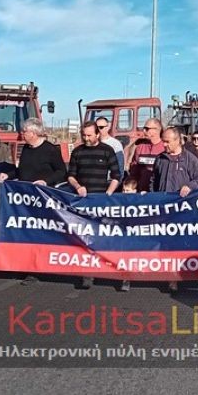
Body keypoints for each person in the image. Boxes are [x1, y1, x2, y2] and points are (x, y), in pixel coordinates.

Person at [66, 121, 121, 289]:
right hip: (83, 201)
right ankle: (87, 273)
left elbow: (117, 175)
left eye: (89, 135)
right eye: (84, 135)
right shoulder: (77, 152)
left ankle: (115, 273)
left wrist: (108, 195)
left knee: (106, 237)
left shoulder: (107, 150)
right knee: (86, 238)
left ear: (97, 134)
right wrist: (77, 187)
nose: (86, 138)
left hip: (102, 201)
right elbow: (70, 175)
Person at [152, 127, 198, 195]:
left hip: (181, 202)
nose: (164, 144)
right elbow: (153, 181)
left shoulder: (190, 159)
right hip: (163, 202)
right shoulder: (160, 158)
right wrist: (151, 196)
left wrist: (189, 186)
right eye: (163, 141)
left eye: (167, 142)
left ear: (177, 141)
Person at [17, 118, 68, 186]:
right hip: (25, 192)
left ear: (33, 133)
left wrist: (46, 181)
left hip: (44, 192)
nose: (22, 133)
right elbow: (21, 170)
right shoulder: (26, 148)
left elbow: (61, 172)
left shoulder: (51, 150)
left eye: (24, 131)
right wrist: (8, 175)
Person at [128, 118, 165, 192]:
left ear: (157, 130)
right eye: (143, 128)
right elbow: (134, 172)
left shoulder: (165, 147)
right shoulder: (140, 147)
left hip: (158, 193)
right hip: (141, 193)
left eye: (147, 129)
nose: (144, 131)